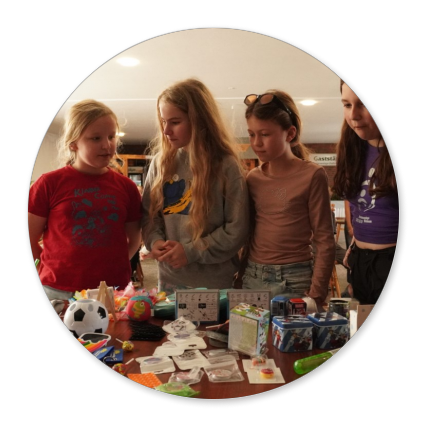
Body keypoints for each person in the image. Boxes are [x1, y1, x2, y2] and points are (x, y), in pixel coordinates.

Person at [141, 78, 249, 295]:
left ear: (199, 120)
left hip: (215, 282)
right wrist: (155, 241)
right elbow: (149, 216)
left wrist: (191, 251)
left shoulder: (226, 165)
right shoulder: (160, 163)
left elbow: (237, 230)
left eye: (175, 122)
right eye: (163, 121)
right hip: (168, 280)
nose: (166, 130)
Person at [28, 99, 142, 300]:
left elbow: (135, 238)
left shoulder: (127, 187)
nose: (107, 145)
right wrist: (51, 266)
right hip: (58, 290)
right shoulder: (48, 183)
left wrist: (116, 265)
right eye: (96, 138)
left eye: (111, 137)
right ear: (73, 144)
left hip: (113, 291)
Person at [236, 90, 336, 312]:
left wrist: (316, 295)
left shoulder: (313, 174)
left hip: (295, 279)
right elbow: (248, 234)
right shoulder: (253, 178)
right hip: (253, 276)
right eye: (251, 134)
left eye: (265, 134)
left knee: (293, 335)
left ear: (290, 133)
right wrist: (240, 277)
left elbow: (324, 239)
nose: (256, 143)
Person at [332, 80, 398, 304]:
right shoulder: (352, 148)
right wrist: (354, 245)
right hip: (360, 259)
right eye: (347, 105)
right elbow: (358, 204)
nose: (354, 115)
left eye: (363, 104)